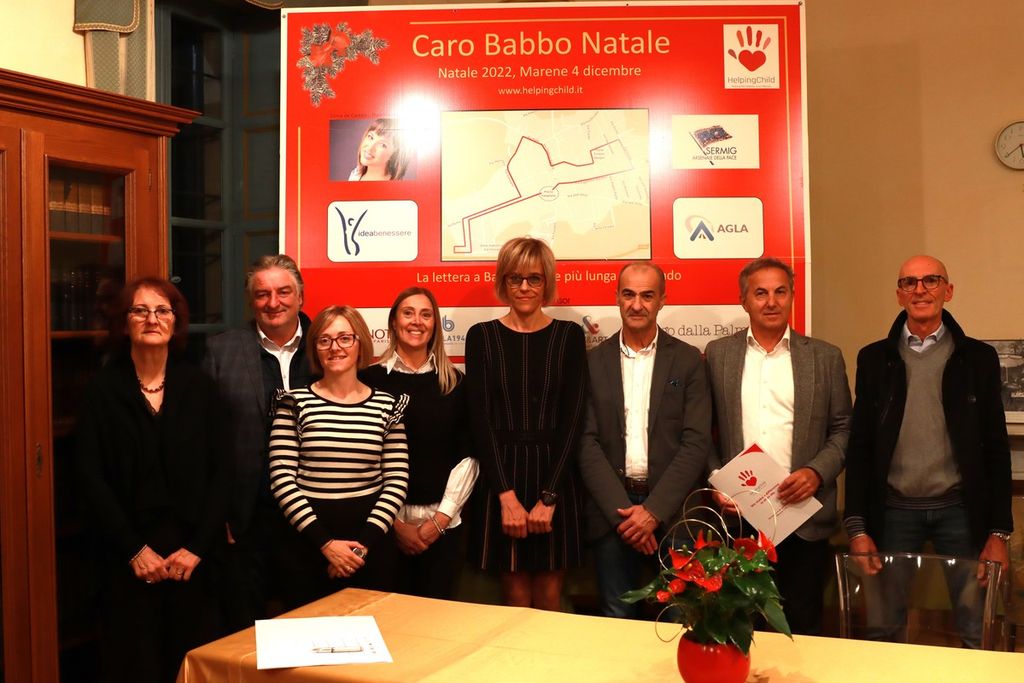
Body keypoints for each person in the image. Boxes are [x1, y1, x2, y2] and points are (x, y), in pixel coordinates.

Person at [843, 254, 1012, 647]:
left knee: (976, 628)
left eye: (930, 280)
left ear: (948, 291)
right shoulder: (874, 359)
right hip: (893, 512)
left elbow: (996, 448)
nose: (920, 290)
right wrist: (858, 528)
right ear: (899, 295)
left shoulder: (978, 359)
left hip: (962, 513)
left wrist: (998, 533)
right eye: (909, 282)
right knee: (883, 628)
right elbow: (860, 446)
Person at [75, 277, 229, 682]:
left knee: (192, 667)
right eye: (139, 310)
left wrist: (196, 549)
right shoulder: (101, 391)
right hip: (125, 559)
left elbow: (222, 473)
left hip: (191, 560)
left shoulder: (201, 387)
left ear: (175, 323)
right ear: (124, 322)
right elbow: (91, 477)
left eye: (162, 311)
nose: (152, 319)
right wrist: (134, 550)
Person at [704, 256, 851, 635]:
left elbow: (844, 429)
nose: (771, 301)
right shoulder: (718, 355)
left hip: (802, 517)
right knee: (739, 628)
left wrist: (816, 472)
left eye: (780, 292)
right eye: (761, 293)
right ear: (744, 301)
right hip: (739, 516)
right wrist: (718, 479)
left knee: (801, 627)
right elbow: (703, 431)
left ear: (792, 296)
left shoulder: (825, 357)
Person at [578, 261, 712, 618]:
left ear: (662, 300)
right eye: (629, 294)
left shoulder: (688, 361)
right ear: (617, 298)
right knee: (617, 618)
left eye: (647, 296)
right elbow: (586, 442)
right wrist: (625, 516)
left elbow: (696, 442)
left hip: (675, 512)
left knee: (680, 618)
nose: (637, 304)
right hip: (613, 514)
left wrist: (653, 512)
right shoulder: (592, 362)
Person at [465, 237, 588, 611]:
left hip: (556, 477)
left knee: (550, 600)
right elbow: (480, 421)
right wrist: (506, 497)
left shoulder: (569, 336)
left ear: (546, 283)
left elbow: (573, 421)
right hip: (501, 477)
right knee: (515, 601)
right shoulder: (481, 336)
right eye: (515, 278)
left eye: (534, 279)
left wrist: (549, 497)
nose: (524, 287)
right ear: (503, 281)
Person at [269, 305, 409, 607]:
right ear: (315, 349)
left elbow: (397, 481)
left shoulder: (388, 406)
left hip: (370, 545)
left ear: (360, 344)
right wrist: (326, 544)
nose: (335, 347)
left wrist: (360, 548)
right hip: (307, 544)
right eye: (325, 340)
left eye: (345, 338)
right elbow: (281, 479)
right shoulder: (293, 403)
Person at [202, 254, 314, 630]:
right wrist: (218, 513)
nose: (273, 302)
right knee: (244, 630)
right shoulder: (221, 351)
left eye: (284, 292)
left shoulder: (329, 344)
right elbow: (206, 442)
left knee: (311, 625)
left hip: (316, 516)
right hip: (246, 517)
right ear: (252, 301)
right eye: (262, 294)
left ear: (301, 296)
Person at [360, 287, 478, 599]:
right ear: (393, 322)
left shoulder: (456, 383)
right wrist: (394, 524)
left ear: (435, 325)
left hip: (444, 528)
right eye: (408, 313)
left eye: (426, 314)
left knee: (438, 620)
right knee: (387, 616)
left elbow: (468, 454)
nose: (417, 321)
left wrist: (439, 521)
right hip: (382, 528)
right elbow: (362, 459)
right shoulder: (368, 382)